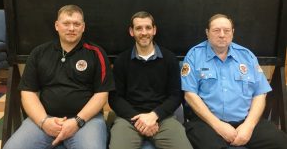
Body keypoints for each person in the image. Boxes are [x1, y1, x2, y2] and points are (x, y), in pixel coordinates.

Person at [3, 5, 115, 149]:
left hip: (86, 121)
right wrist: (44, 121)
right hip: (46, 119)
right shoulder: (39, 53)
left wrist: (77, 122)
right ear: (57, 26)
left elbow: (101, 95)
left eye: (76, 24)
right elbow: (28, 92)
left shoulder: (96, 53)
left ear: (83, 27)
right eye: (66, 23)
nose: (71, 28)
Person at [181, 13, 287, 149]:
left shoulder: (247, 56)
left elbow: (260, 93)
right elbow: (190, 95)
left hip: (245, 122)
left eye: (226, 30)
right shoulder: (194, 55)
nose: (222, 34)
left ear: (233, 32)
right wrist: (218, 126)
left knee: (281, 142)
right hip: (207, 123)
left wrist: (248, 126)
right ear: (207, 33)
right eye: (216, 30)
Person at [108, 11, 193, 149]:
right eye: (138, 28)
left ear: (154, 30)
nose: (144, 32)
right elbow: (115, 98)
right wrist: (139, 120)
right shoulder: (121, 61)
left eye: (148, 28)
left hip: (163, 119)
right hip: (129, 119)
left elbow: (176, 96)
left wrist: (154, 116)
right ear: (131, 31)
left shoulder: (169, 59)